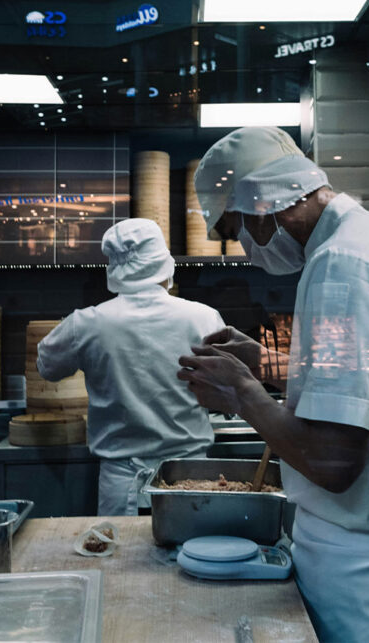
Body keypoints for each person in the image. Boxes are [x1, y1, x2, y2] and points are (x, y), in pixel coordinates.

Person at [180, 127, 369, 642]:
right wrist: (267, 362)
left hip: (362, 577)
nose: (246, 249)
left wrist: (242, 393)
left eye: (237, 229)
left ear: (263, 205)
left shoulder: (342, 265)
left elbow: (333, 461)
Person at [37, 217, 225, 515]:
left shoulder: (88, 323)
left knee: (121, 559)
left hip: (121, 483)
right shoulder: (204, 318)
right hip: (191, 477)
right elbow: (225, 392)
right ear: (164, 263)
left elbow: (47, 366)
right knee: (192, 558)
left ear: (113, 267)